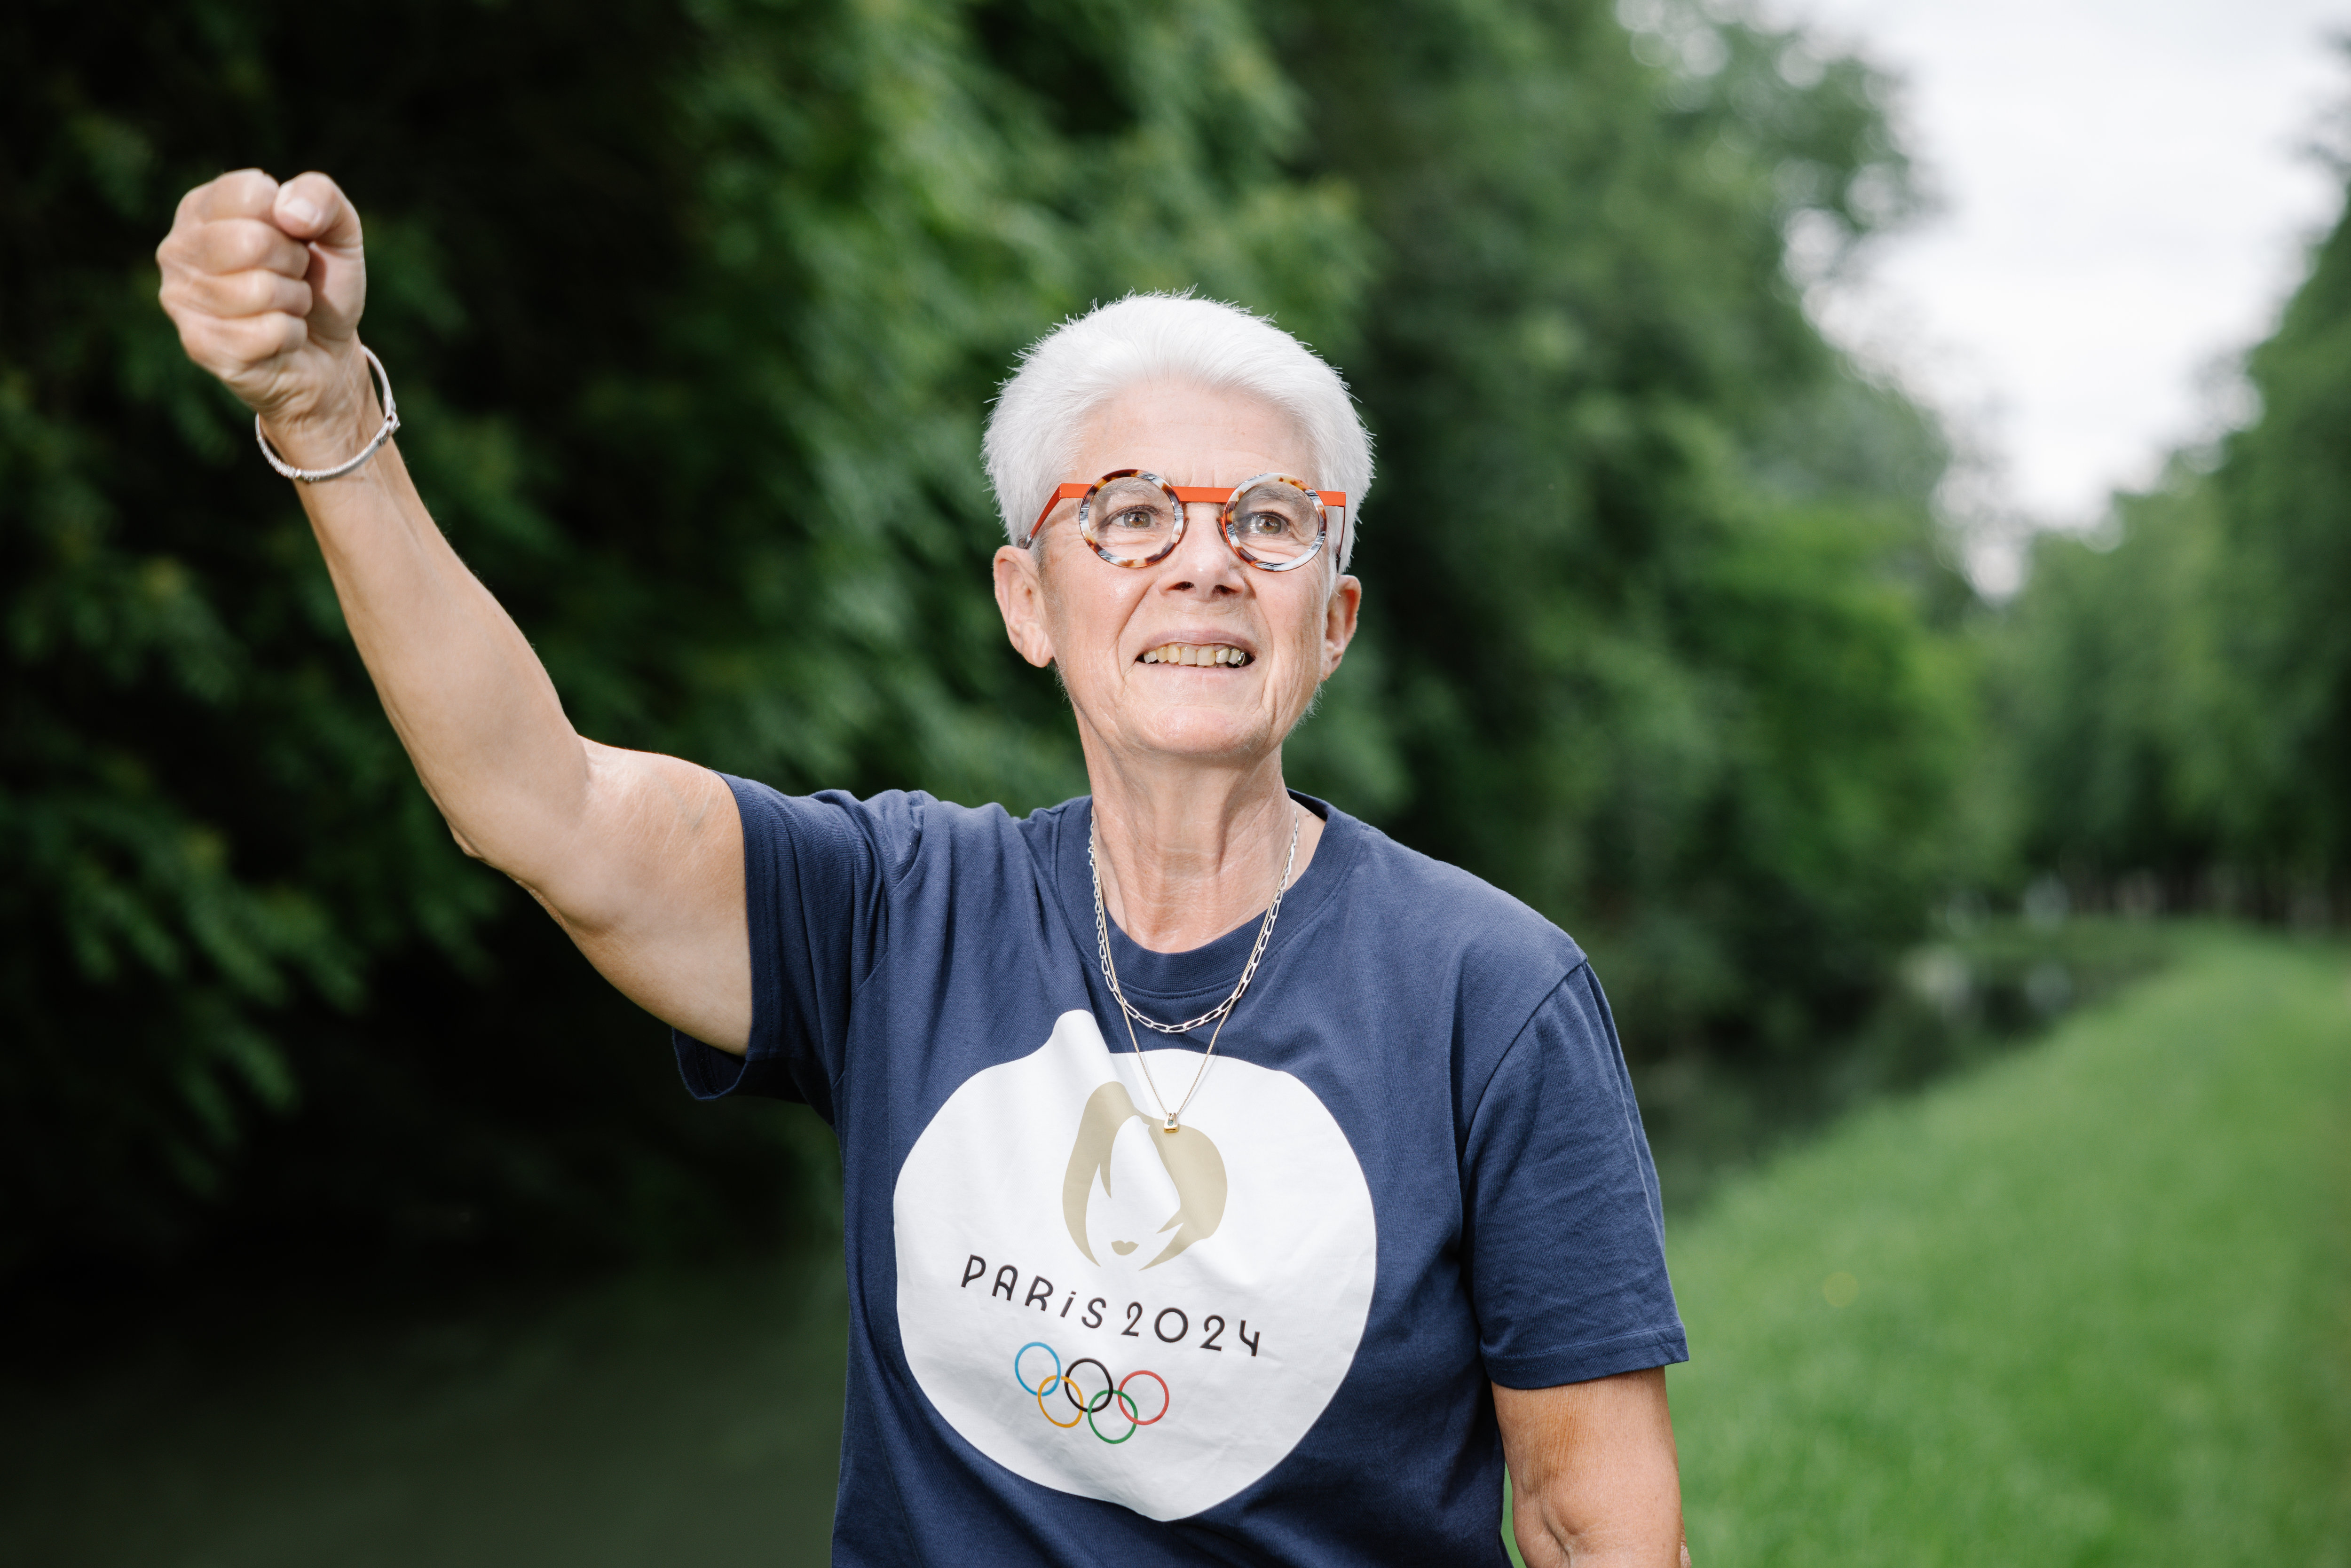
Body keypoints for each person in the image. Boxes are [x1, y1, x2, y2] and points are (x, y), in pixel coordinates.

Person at [156, 167, 1692, 1567]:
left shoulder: (1492, 992)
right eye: (1132, 516)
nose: (1204, 562)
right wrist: (317, 406)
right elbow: (531, 800)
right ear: (1029, 601)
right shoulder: (894, 914)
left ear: (1333, 623)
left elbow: (1590, 1522)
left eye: (1271, 524)